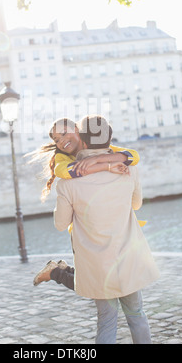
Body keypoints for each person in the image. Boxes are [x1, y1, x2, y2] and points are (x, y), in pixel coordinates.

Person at [36, 115, 159, 344]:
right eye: (57, 138)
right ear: (110, 139)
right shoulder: (128, 169)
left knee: (106, 320)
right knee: (137, 315)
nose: (62, 140)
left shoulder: (68, 182)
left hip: (96, 263)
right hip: (127, 257)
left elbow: (61, 224)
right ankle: (56, 273)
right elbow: (136, 205)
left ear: (81, 138)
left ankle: (56, 272)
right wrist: (109, 165)